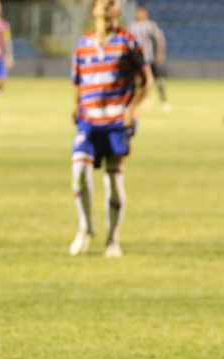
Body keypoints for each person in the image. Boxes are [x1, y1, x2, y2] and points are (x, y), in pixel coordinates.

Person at [69, 0, 153, 258]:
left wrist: (130, 109)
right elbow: (78, 81)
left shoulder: (128, 43)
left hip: (117, 120)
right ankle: (86, 228)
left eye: (112, 3)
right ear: (94, 9)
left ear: (118, 11)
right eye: (102, 2)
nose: (106, 5)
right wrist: (75, 106)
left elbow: (146, 81)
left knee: (114, 180)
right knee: (79, 172)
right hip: (89, 119)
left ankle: (112, 239)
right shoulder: (83, 45)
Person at [128, 4, 169, 112]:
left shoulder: (150, 25)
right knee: (138, 80)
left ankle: (163, 100)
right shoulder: (132, 26)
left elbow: (159, 38)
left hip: (149, 57)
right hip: (137, 59)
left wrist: (160, 52)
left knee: (158, 79)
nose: (140, 15)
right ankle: (144, 98)